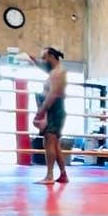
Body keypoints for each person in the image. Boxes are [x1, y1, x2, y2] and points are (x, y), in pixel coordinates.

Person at [30, 46, 69, 185]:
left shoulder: (57, 73)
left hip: (54, 109)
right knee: (54, 143)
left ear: (51, 57)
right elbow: (43, 67)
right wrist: (32, 59)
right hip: (54, 109)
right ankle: (63, 174)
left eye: (44, 57)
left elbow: (53, 94)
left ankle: (49, 175)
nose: (43, 61)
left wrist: (41, 111)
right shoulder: (55, 71)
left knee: (49, 142)